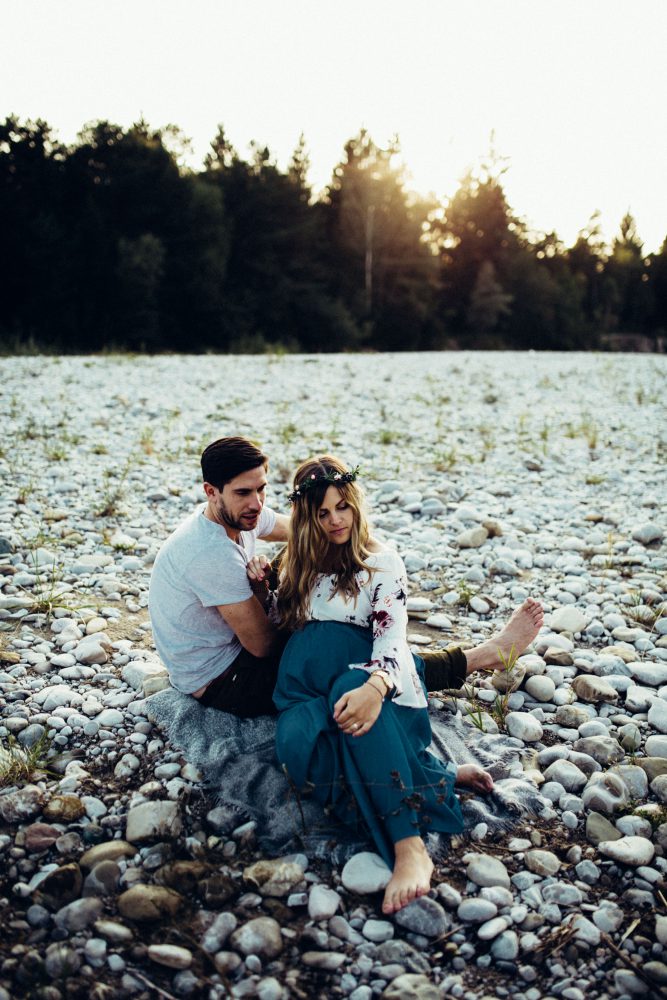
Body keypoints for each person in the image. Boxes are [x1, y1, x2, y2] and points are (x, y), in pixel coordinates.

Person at [247, 455, 543, 915]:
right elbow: (284, 621)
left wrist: (375, 687)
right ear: (307, 517)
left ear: (355, 503)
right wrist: (265, 590)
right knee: (298, 750)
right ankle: (436, 776)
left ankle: (409, 847)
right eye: (322, 513)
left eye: (342, 507)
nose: (335, 520)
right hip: (305, 692)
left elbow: (391, 640)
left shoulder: (380, 563)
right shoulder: (300, 560)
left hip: (370, 680)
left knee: (353, 697)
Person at [148, 436, 290, 716]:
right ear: (211, 492)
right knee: (327, 651)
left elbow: (300, 529)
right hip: (225, 681)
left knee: (303, 550)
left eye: (261, 489)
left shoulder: (238, 514)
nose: (257, 503)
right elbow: (263, 646)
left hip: (232, 652)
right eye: (243, 492)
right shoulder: (210, 552)